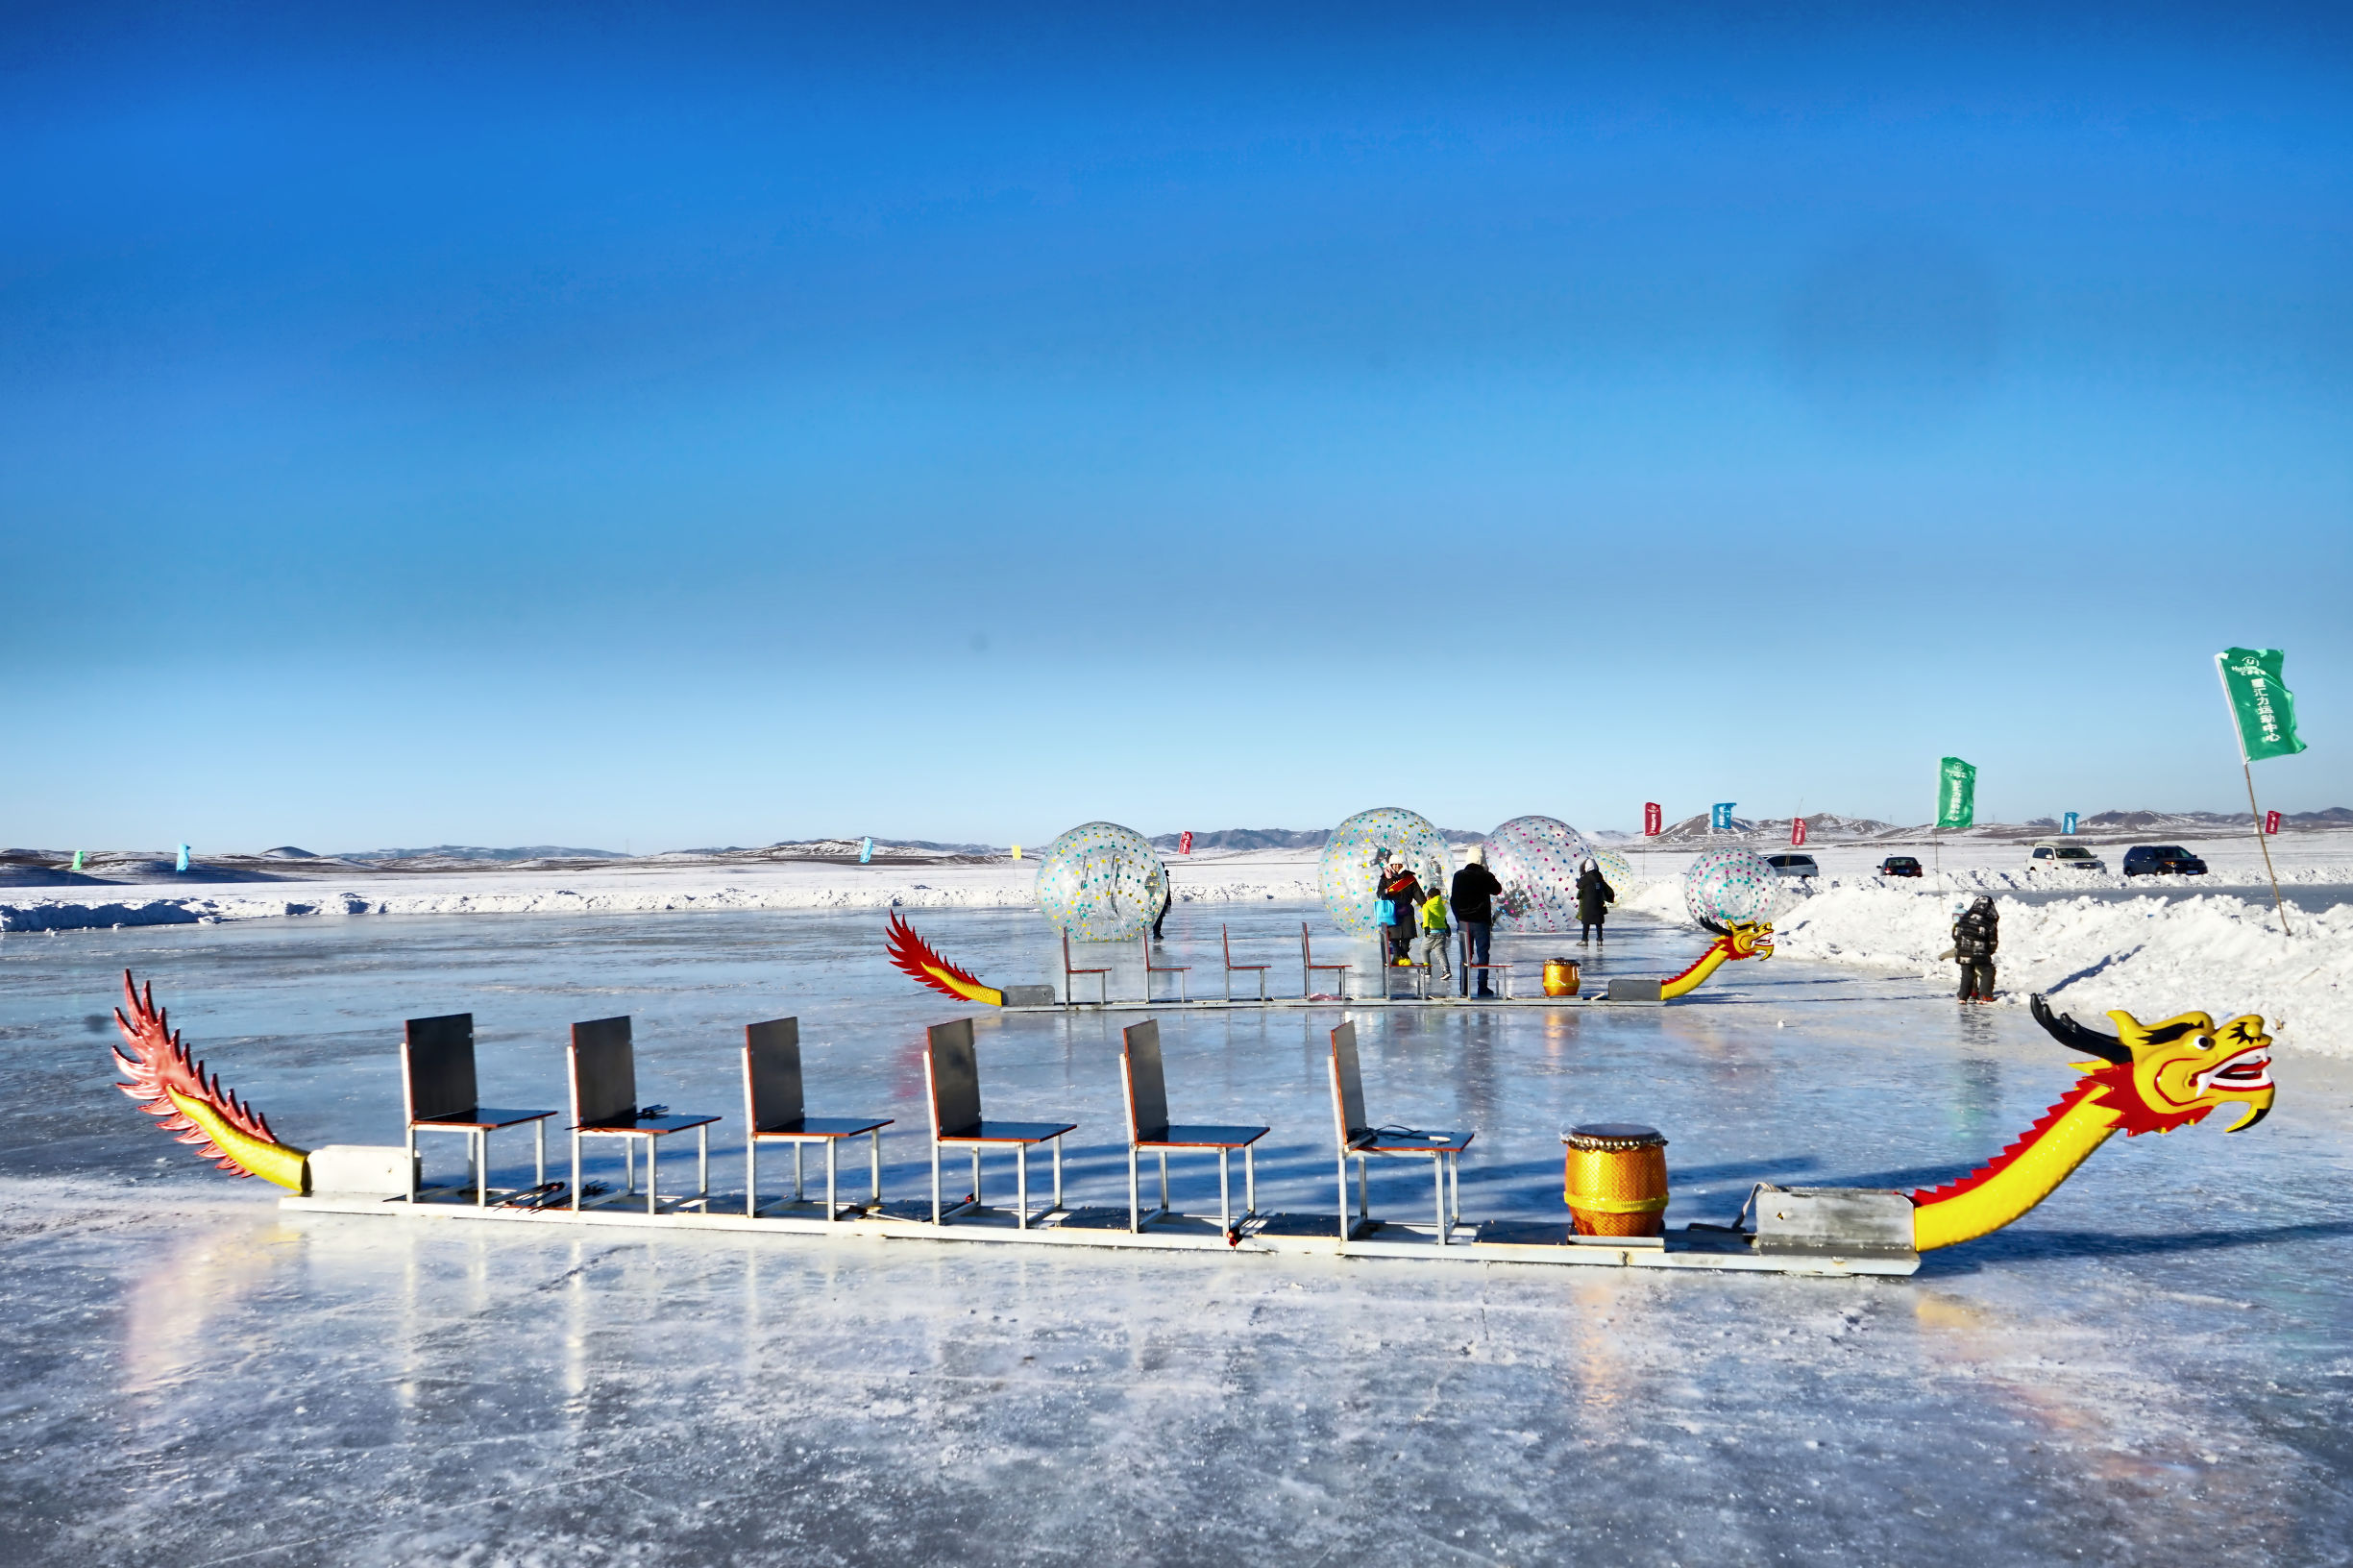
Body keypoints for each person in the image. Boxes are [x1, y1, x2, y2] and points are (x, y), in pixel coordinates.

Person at [1451, 845, 1505, 996]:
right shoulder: (1485, 876)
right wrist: (1487, 872)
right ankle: (1482, 986)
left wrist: (1459, 917)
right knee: (1483, 954)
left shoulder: (1459, 875)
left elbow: (1453, 900)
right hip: (1481, 922)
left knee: (1465, 956)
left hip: (1463, 922)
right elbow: (1497, 890)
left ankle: (1464, 988)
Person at [1377, 856, 1424, 966]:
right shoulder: (1385, 878)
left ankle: (1403, 954)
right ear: (1391, 865)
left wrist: (1424, 905)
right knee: (1394, 937)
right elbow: (1379, 893)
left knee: (1407, 938)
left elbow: (1417, 893)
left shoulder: (1409, 877)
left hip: (1407, 910)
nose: (1397, 866)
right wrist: (1386, 890)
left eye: (1399, 864)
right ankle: (1398, 956)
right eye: (1395, 864)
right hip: (1392, 912)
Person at [1953, 894, 1998, 1002]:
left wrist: (1960, 947)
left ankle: (1963, 996)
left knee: (1967, 973)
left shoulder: (1964, 918)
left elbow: (1956, 935)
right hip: (1979, 952)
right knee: (1988, 971)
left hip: (1962, 951)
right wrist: (1990, 951)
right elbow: (1992, 941)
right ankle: (1985, 995)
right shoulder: (1988, 921)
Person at [1416, 887, 1454, 986]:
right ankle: (1446, 971)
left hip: (1431, 932)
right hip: (1441, 932)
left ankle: (1427, 971)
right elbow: (1442, 918)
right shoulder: (1441, 906)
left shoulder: (1427, 905)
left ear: (1429, 897)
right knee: (1441, 952)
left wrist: (1426, 927)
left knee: (1424, 950)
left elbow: (1427, 917)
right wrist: (1447, 927)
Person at [1575, 857, 1616, 943]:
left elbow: (1578, 885)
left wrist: (1582, 877)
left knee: (1586, 923)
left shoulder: (1586, 877)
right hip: (1599, 903)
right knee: (1598, 923)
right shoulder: (1599, 876)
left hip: (1587, 904)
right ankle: (1599, 940)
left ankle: (1584, 940)